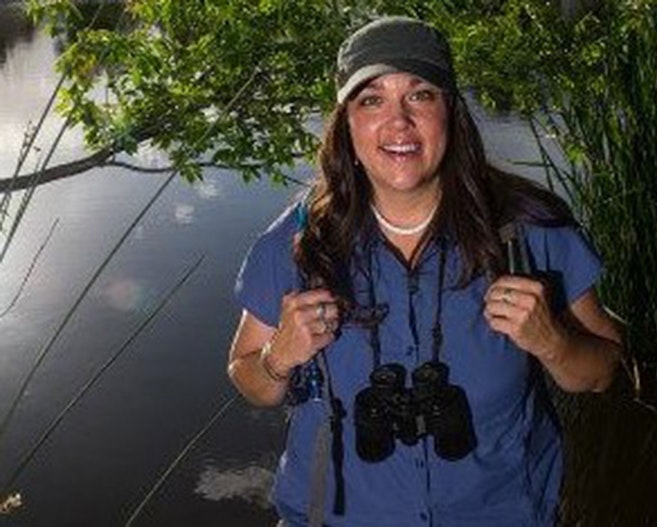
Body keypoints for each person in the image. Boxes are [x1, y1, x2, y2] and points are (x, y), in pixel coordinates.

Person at [228, 16, 622, 527]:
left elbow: (605, 371)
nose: (398, 122)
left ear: (451, 113)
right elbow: (247, 376)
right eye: (371, 99)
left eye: (420, 95)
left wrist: (553, 343)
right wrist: (277, 358)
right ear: (346, 122)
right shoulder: (299, 242)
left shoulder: (529, 231)